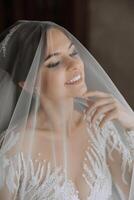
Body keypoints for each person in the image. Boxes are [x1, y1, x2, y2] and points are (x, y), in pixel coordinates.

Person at [0, 20, 134, 200]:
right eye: (54, 62)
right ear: (30, 84)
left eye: (73, 52)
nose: (74, 65)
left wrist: (131, 123)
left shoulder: (100, 127)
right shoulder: (13, 149)